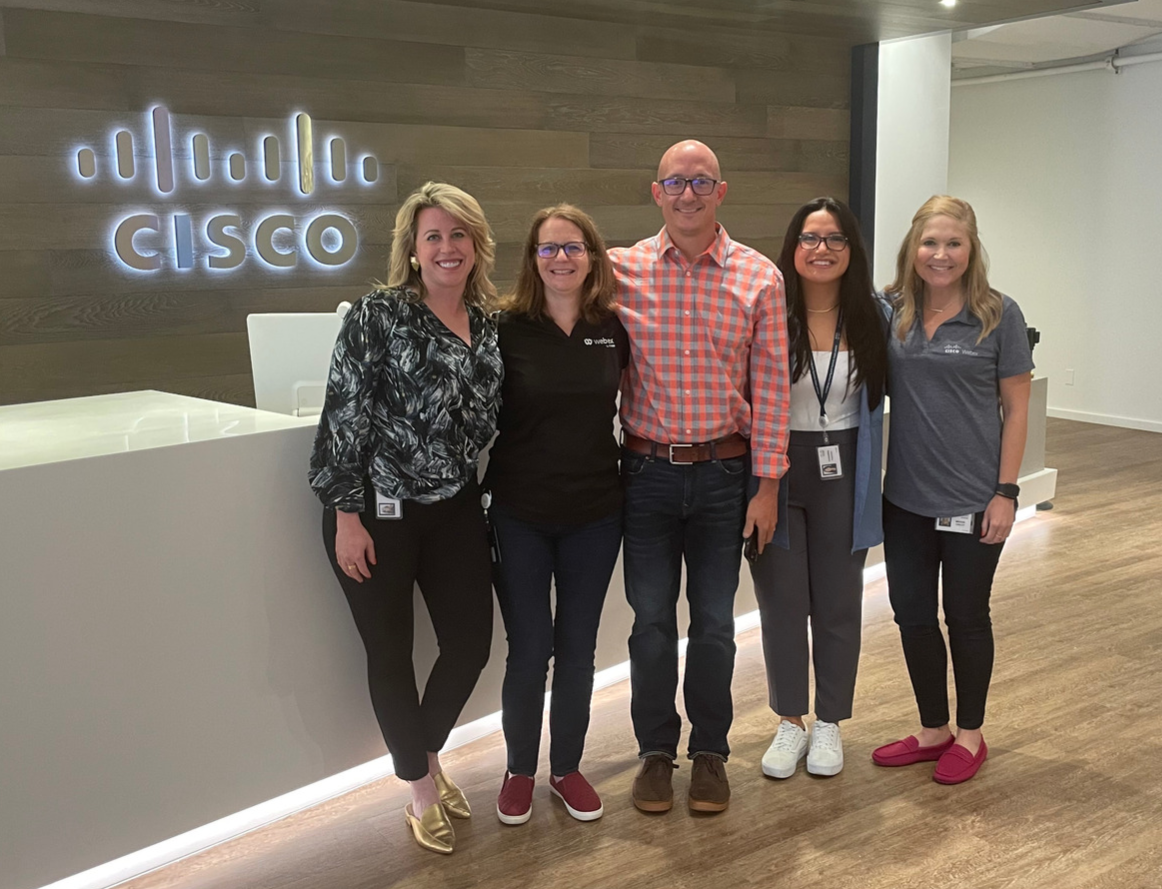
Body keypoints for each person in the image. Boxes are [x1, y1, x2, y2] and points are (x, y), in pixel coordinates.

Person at [308, 182, 504, 853]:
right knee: (389, 653)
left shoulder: (492, 324)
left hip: (452, 509)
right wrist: (346, 515)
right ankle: (421, 788)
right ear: (413, 251)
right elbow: (344, 416)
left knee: (471, 645)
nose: (447, 247)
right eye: (433, 236)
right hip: (375, 511)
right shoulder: (378, 315)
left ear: (476, 245)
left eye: (458, 234)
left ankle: (423, 752)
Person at [609, 139, 790, 814]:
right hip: (648, 473)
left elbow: (771, 390)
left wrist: (767, 486)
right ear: (656, 192)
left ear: (722, 191)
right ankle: (656, 753)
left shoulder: (759, 277)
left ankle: (709, 752)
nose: (688, 193)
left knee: (714, 622)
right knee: (650, 621)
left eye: (701, 182)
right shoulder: (618, 270)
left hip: (725, 475)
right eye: (675, 182)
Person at [872, 195, 1032, 785]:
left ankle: (970, 733)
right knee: (911, 615)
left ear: (971, 250)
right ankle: (933, 729)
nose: (941, 255)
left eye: (953, 243)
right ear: (913, 249)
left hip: (973, 502)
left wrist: (1006, 492)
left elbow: (1016, 410)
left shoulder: (998, 314)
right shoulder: (891, 312)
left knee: (965, 616)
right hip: (905, 501)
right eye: (930, 243)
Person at [483, 204, 629, 826]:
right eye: (549, 249)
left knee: (577, 648)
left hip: (596, 512)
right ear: (532, 259)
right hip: (520, 513)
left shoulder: (613, 328)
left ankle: (566, 768)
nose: (561, 258)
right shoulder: (503, 328)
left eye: (573, 247)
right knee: (529, 648)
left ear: (592, 257)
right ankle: (519, 770)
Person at [749, 198, 887, 780]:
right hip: (776, 469)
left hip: (845, 469)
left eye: (834, 239)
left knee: (837, 601)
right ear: (793, 248)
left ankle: (830, 720)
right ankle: (790, 720)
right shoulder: (768, 311)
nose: (821, 248)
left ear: (851, 250)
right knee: (781, 602)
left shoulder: (874, 316)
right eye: (810, 238)